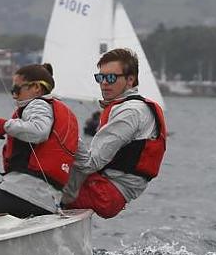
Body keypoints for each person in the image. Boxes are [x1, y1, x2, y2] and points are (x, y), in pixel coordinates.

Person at [61, 48, 167, 218]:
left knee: (40, 181)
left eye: (110, 78)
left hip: (104, 194)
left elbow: (90, 163)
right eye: (100, 78)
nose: (104, 83)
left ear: (130, 79)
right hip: (107, 190)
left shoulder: (130, 112)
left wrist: (64, 132)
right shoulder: (131, 107)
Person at [0, 64, 79, 219]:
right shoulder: (60, 113)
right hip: (48, 200)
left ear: (37, 89)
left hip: (25, 192)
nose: (14, 96)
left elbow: (40, 130)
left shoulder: (38, 104)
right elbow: (84, 160)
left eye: (16, 90)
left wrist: (6, 125)